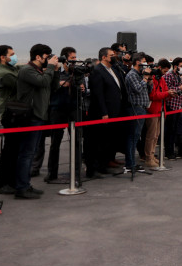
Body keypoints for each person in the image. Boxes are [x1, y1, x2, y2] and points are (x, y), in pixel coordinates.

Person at [15, 44, 59, 199]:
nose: (49, 60)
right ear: (38, 57)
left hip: (39, 115)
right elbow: (43, 83)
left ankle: (26, 184)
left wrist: (56, 70)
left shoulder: (41, 71)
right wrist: (51, 69)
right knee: (27, 153)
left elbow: (53, 87)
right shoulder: (27, 70)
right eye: (47, 57)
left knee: (31, 152)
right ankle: (21, 187)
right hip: (30, 116)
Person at [84, 47, 126, 178]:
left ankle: (105, 164)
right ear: (104, 57)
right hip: (103, 112)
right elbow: (98, 94)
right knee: (99, 141)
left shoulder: (113, 69)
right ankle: (96, 167)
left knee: (109, 140)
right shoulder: (98, 71)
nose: (114, 57)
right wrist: (104, 112)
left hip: (116, 111)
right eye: (111, 55)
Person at [41, 47, 81, 182]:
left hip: (73, 109)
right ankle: (52, 173)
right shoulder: (54, 71)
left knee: (76, 142)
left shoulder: (76, 72)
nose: (74, 61)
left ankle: (76, 172)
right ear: (65, 59)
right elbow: (50, 87)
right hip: (57, 109)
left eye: (75, 58)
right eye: (72, 58)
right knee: (55, 142)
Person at [0, 45, 21, 194]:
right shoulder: (5, 73)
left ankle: (10, 181)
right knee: (9, 151)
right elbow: (21, 85)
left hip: (15, 112)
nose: (14, 57)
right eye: (12, 54)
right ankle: (3, 183)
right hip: (10, 113)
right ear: (3, 57)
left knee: (13, 150)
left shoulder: (11, 70)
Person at [124, 52, 150, 173]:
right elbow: (138, 89)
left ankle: (131, 163)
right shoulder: (132, 75)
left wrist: (147, 79)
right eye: (144, 62)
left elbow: (147, 89)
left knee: (135, 136)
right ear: (138, 62)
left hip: (142, 108)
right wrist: (145, 78)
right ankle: (130, 164)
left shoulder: (139, 74)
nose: (145, 64)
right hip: (135, 108)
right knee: (133, 136)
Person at [145, 59, 173, 168]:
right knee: (151, 135)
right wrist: (167, 93)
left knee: (156, 135)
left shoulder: (161, 79)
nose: (165, 73)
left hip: (161, 110)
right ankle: (148, 157)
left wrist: (170, 94)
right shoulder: (153, 78)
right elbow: (152, 95)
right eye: (165, 71)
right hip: (153, 110)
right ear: (160, 68)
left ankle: (152, 156)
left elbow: (164, 91)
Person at [163, 57, 182, 160]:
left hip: (177, 106)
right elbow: (167, 90)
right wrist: (179, 88)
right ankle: (168, 152)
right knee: (169, 130)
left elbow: (178, 91)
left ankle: (172, 151)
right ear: (175, 66)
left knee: (174, 130)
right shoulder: (169, 76)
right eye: (181, 66)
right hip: (170, 106)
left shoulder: (178, 76)